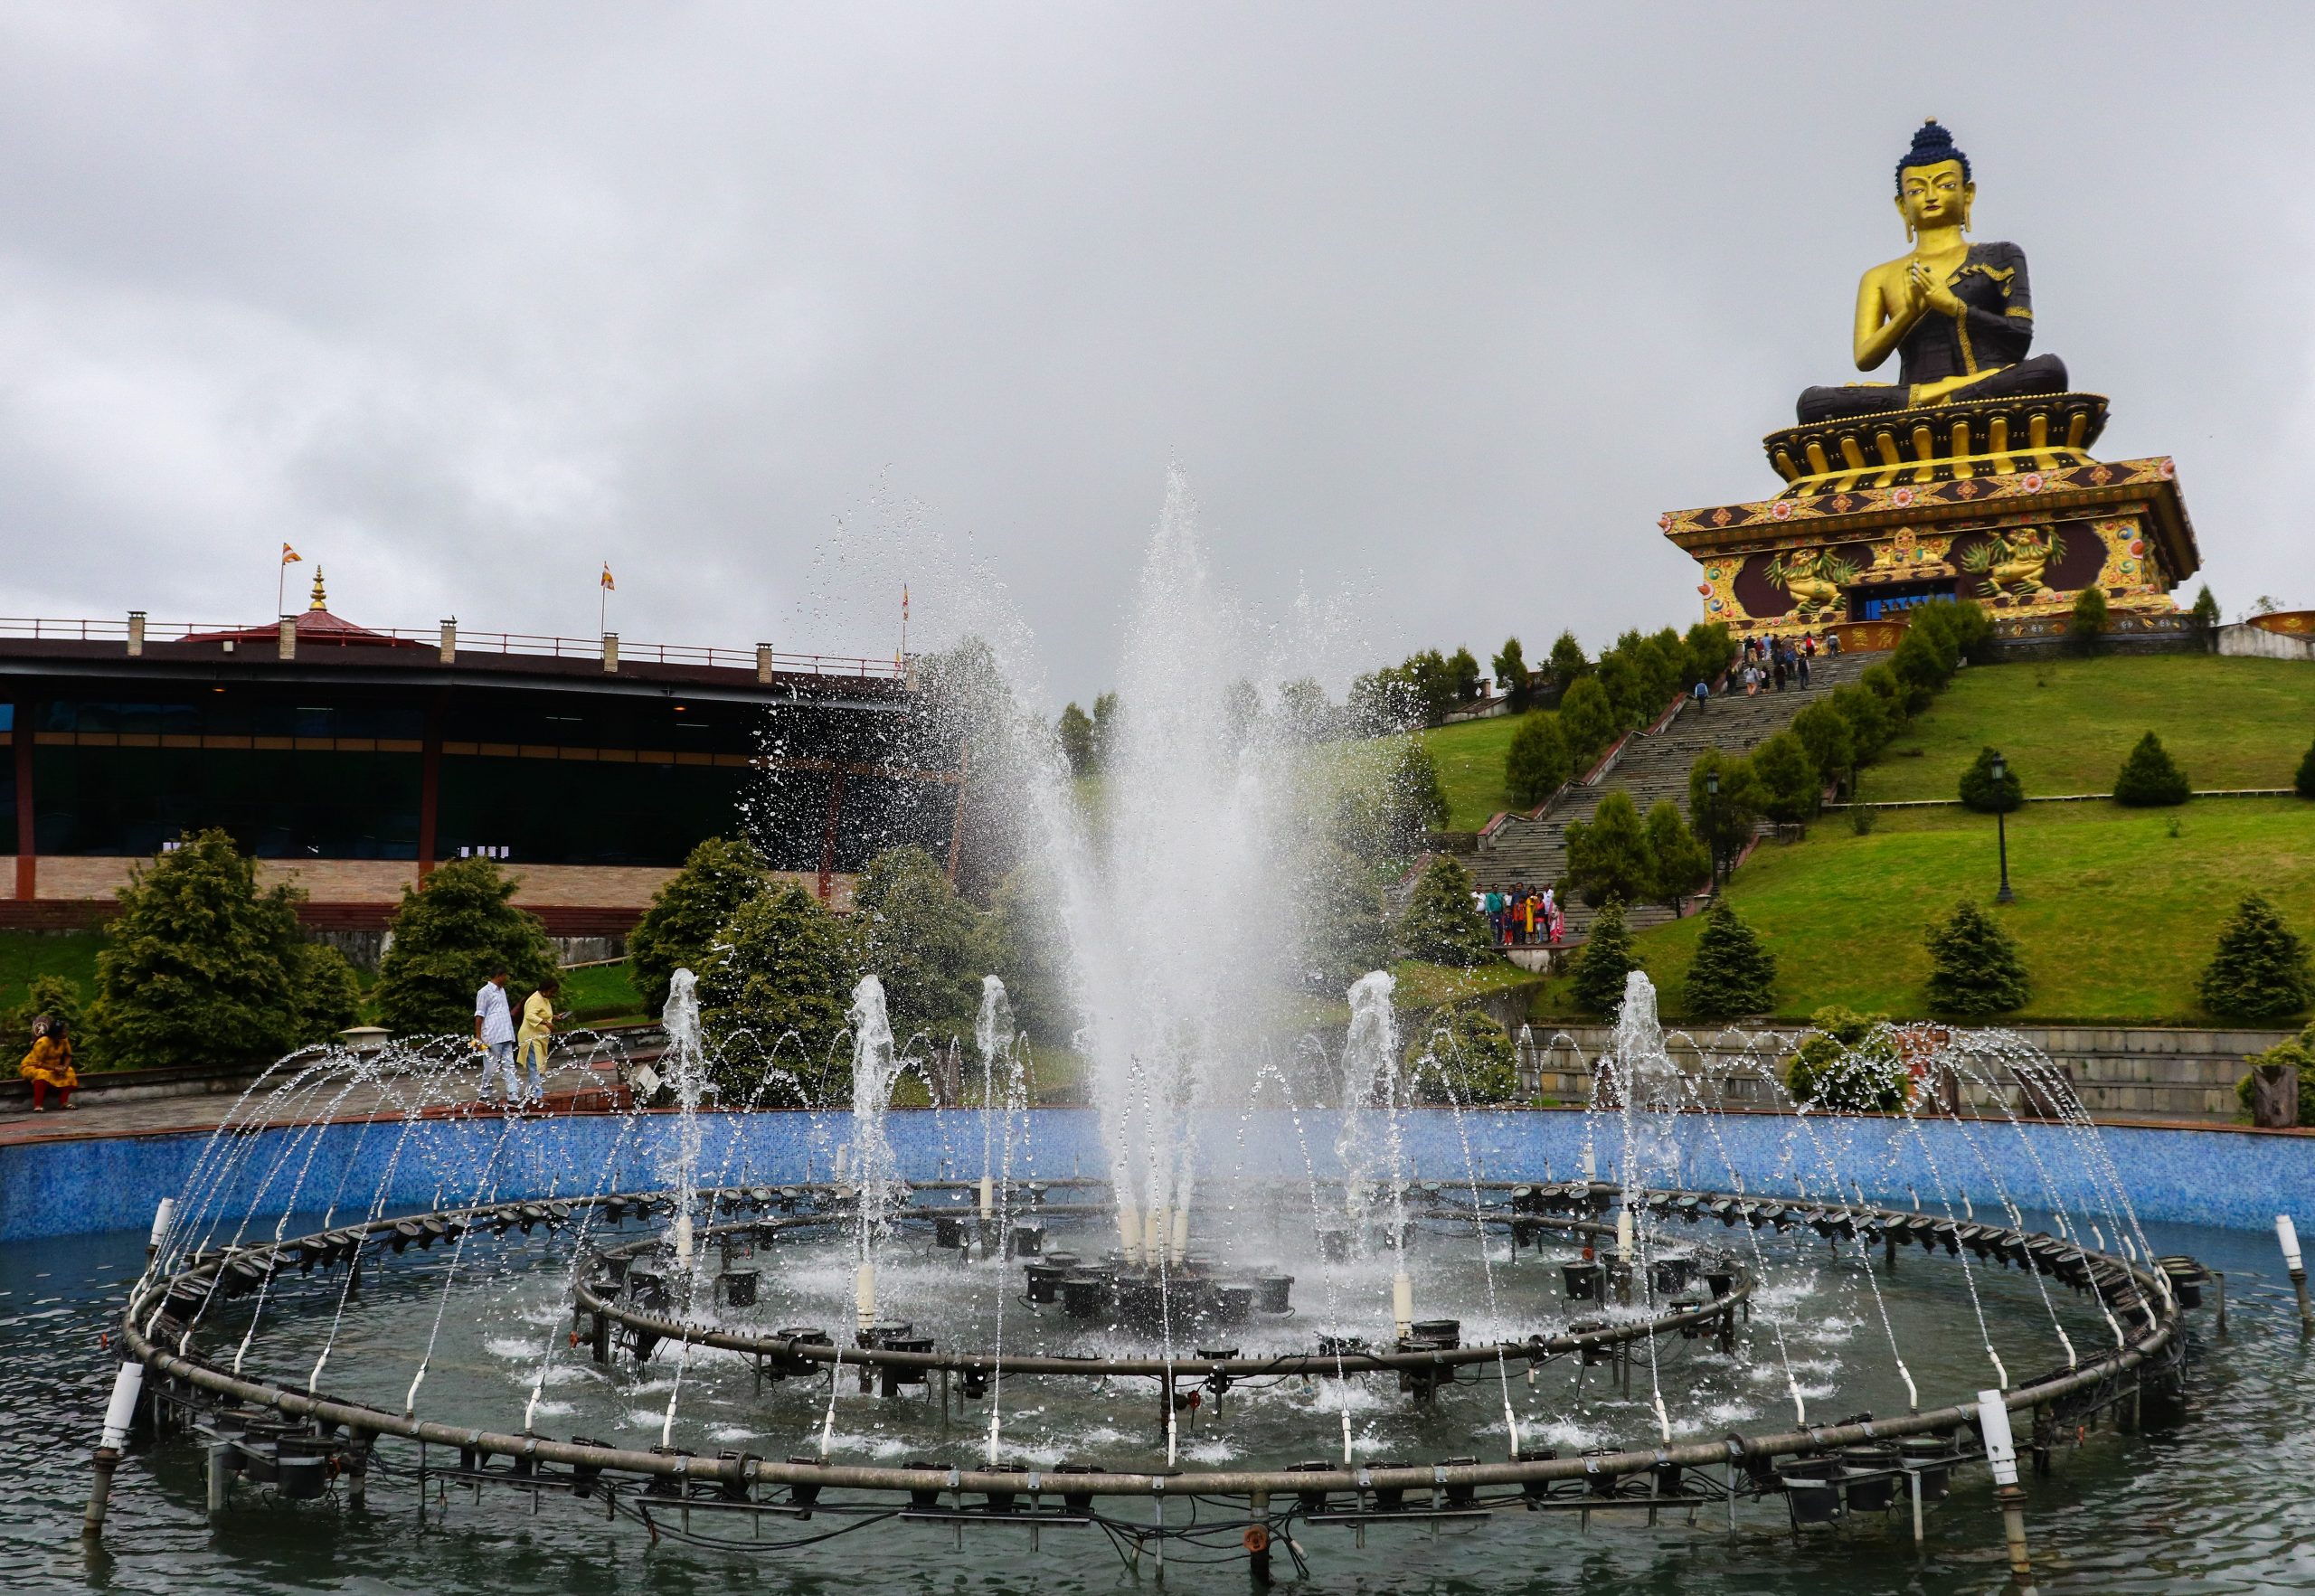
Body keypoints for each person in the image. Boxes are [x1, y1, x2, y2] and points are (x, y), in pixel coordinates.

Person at [474, 967, 517, 1105]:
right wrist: (478, 1038)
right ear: (499, 975)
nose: (506, 978)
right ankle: (484, 1095)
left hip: (506, 1034)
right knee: (491, 1067)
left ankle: (513, 1096)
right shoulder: (484, 992)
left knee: (509, 1066)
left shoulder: (502, 991)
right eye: (505, 976)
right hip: (492, 1036)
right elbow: (479, 1015)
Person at [515, 975, 561, 1107]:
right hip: (530, 1038)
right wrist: (546, 1023)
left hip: (539, 1038)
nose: (553, 995)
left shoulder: (544, 999)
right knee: (535, 1066)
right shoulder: (535, 999)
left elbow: (543, 1014)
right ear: (545, 989)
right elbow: (530, 1016)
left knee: (539, 1065)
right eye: (552, 992)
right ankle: (537, 1095)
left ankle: (530, 1093)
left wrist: (555, 1017)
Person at [19, 1015, 77, 1111]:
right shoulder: (43, 1042)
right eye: (64, 1030)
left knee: (70, 1071)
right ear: (57, 1033)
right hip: (31, 1066)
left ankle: (63, 1102)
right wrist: (55, 1068)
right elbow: (37, 1063)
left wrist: (64, 1068)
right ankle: (38, 1105)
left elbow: (68, 1055)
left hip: (52, 1066)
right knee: (42, 1074)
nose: (66, 1032)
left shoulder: (64, 1040)